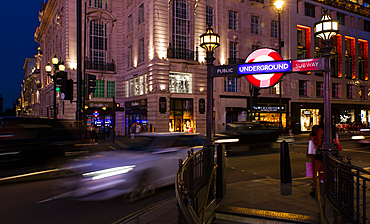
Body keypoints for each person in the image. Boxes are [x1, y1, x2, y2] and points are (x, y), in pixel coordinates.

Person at [310, 121, 324, 198]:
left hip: (321, 152)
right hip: (332, 152)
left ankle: (314, 188)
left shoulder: (320, 130)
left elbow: (319, 143)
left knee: (316, 170)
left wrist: (314, 142)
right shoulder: (333, 130)